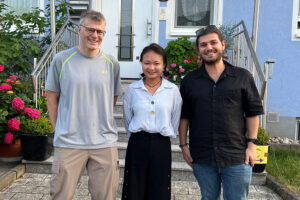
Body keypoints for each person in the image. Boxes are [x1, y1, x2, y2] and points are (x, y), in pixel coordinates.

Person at [179, 25, 264, 200]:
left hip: (237, 155)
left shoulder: (242, 76)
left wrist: (252, 144)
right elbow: (184, 116)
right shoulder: (190, 81)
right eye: (203, 45)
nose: (209, 48)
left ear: (223, 45)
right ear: (199, 50)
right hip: (203, 156)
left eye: (213, 42)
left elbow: (252, 113)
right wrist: (183, 145)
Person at [46, 10, 122, 200]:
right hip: (69, 142)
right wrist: (59, 129)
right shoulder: (61, 60)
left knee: (106, 196)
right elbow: (51, 97)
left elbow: (111, 99)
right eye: (90, 30)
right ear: (79, 30)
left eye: (100, 32)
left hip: (104, 143)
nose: (95, 35)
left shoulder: (111, 63)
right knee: (60, 195)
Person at [121, 43, 182, 200]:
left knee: (159, 188)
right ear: (141, 63)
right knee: (134, 188)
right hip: (137, 143)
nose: (151, 67)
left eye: (156, 63)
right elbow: (128, 119)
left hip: (161, 144)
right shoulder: (132, 90)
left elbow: (175, 120)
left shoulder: (172, 90)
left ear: (164, 65)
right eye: (147, 63)